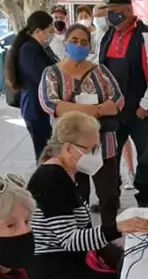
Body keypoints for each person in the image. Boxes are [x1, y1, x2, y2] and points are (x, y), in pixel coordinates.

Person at [25, 111, 148, 279]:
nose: (96, 154)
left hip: (68, 261)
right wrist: (117, 228)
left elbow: (80, 233)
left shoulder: (64, 174)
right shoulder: (52, 180)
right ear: (67, 148)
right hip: (50, 270)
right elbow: (70, 241)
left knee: (134, 265)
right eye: (91, 149)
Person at [39, 23, 125, 228]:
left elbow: (118, 100)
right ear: (65, 43)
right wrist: (96, 110)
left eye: (84, 42)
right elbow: (51, 104)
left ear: (90, 46)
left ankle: (108, 236)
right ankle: (83, 240)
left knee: (109, 196)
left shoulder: (100, 71)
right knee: (77, 197)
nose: (79, 45)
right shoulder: (52, 73)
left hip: (103, 145)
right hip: (70, 148)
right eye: (74, 41)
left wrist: (79, 109)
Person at [99, 0, 148, 207]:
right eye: (109, 12)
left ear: (129, 10)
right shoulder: (108, 36)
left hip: (140, 112)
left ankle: (145, 199)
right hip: (113, 112)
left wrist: (145, 106)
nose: (111, 16)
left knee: (145, 157)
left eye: (115, 12)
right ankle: (111, 198)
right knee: (109, 157)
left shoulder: (145, 37)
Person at [4, 10, 57, 161]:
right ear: (38, 31)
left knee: (48, 150)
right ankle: (43, 182)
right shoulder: (29, 49)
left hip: (41, 108)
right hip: (35, 109)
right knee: (43, 153)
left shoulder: (40, 48)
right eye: (49, 31)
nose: (52, 35)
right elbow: (43, 76)